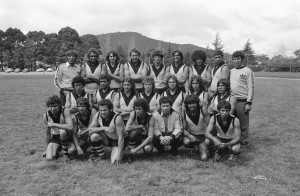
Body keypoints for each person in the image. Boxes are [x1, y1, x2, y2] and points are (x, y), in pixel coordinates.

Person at [80, 99, 126, 164]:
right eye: (100, 110)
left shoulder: (117, 118)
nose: (102, 112)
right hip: (107, 138)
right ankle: (102, 156)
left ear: (110, 109)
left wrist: (120, 156)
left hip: (117, 141)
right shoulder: (98, 115)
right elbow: (90, 130)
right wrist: (103, 128)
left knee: (115, 162)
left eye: (105, 110)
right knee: (94, 136)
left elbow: (121, 138)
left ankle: (124, 153)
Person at [230, 51, 254, 145]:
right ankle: (234, 137)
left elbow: (251, 87)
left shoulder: (247, 71)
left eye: (238, 59)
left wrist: (249, 102)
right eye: (234, 59)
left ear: (242, 59)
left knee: (243, 122)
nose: (236, 61)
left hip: (242, 101)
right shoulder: (231, 71)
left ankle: (243, 139)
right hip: (232, 100)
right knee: (233, 120)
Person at [43, 95, 74, 160]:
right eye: (50, 106)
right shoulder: (46, 115)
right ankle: (59, 149)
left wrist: (54, 124)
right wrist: (47, 148)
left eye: (55, 106)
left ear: (59, 105)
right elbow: (47, 134)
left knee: (62, 132)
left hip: (67, 134)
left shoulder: (65, 110)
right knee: (49, 158)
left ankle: (65, 153)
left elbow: (70, 127)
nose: (53, 108)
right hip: (56, 136)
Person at [125, 98, 155, 162]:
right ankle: (130, 154)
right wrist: (139, 126)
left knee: (148, 149)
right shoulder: (133, 113)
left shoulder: (150, 117)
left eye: (139, 109)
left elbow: (150, 137)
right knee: (133, 133)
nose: (137, 111)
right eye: (136, 108)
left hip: (145, 137)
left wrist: (136, 149)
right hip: (136, 136)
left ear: (144, 109)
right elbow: (127, 128)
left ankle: (137, 149)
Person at [182, 94, 210, 161]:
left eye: (194, 103)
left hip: (204, 136)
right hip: (193, 135)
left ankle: (204, 148)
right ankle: (192, 147)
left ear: (197, 103)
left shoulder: (203, 110)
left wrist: (207, 137)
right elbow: (184, 130)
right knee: (186, 142)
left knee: (204, 158)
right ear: (187, 105)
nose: (192, 105)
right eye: (189, 104)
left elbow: (210, 127)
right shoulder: (184, 113)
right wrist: (190, 136)